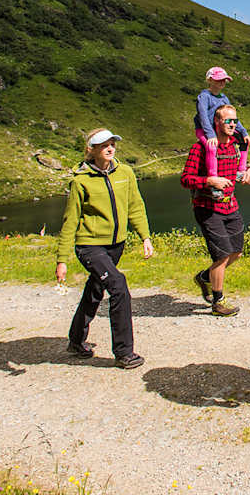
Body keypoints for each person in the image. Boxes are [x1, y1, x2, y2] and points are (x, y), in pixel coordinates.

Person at [56, 128, 154, 369]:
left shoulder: (125, 173)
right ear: (92, 150)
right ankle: (124, 353)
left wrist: (145, 237)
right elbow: (71, 220)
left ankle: (76, 341)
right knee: (118, 286)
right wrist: (62, 259)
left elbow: (135, 206)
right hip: (89, 246)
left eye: (112, 143)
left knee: (95, 289)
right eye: (103, 145)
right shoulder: (81, 181)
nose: (110, 148)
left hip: (116, 245)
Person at [180, 104, 250, 316]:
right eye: (228, 121)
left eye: (235, 121)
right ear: (216, 123)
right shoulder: (200, 148)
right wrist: (209, 180)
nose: (232, 124)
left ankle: (204, 277)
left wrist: (248, 173)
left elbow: (242, 168)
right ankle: (218, 302)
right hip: (207, 207)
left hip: (231, 204)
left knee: (236, 252)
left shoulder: (236, 145)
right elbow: (186, 179)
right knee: (221, 255)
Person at [194, 67, 250, 194]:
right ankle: (214, 181)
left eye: (224, 80)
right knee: (212, 147)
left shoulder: (224, 98)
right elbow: (202, 117)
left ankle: (240, 171)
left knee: (244, 142)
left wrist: (244, 132)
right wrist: (210, 135)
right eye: (219, 80)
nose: (222, 82)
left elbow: (231, 118)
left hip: (218, 129)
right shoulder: (204, 96)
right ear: (210, 80)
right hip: (204, 130)